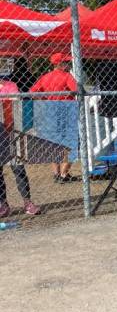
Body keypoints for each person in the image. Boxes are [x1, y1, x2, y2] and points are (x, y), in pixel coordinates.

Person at [29, 53, 78, 183]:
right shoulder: (67, 76)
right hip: (65, 112)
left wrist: (45, 100)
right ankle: (63, 174)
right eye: (66, 62)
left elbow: (32, 92)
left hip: (50, 113)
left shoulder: (45, 77)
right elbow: (77, 90)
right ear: (60, 64)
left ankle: (56, 174)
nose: (68, 65)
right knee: (70, 144)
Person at [0, 72, 41, 217]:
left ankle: (27, 202)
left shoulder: (10, 85)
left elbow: (15, 103)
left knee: (18, 167)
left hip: (11, 131)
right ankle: (3, 205)